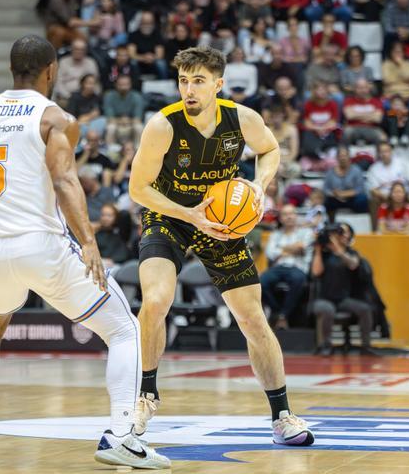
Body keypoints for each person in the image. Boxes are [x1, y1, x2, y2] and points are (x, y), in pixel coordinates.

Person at [0, 35, 170, 468]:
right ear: (51, 70)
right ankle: (122, 436)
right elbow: (65, 181)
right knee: (125, 329)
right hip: (42, 246)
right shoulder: (55, 118)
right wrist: (89, 241)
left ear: (12, 70)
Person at [130, 46, 314, 445]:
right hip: (172, 215)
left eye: (198, 81)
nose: (189, 89)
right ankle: (145, 395)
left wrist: (258, 186)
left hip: (222, 220)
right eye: (183, 81)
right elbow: (138, 188)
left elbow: (270, 149)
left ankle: (282, 416)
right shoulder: (163, 125)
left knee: (251, 318)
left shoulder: (241, 119)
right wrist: (190, 214)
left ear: (218, 84)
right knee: (156, 300)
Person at [310, 222, 385, 355]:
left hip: (344, 299)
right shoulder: (324, 253)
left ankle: (365, 346)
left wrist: (338, 251)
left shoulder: (351, 252)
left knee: (365, 309)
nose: (340, 236)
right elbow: (316, 272)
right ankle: (326, 345)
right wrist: (318, 250)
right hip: (324, 298)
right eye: (338, 233)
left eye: (342, 233)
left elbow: (353, 265)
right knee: (327, 309)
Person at [260, 204, 315, 329]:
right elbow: (270, 253)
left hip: (297, 267)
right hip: (278, 268)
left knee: (298, 279)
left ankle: (283, 315)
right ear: (280, 218)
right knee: (261, 282)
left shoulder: (306, 232)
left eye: (291, 213)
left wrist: (281, 248)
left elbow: (302, 246)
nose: (289, 217)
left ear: (296, 216)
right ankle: (278, 313)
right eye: (285, 214)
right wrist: (293, 248)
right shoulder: (275, 234)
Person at [103, 75, 144, 147]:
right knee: (110, 128)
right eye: (121, 85)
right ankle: (111, 151)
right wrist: (121, 121)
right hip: (116, 123)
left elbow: (138, 119)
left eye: (126, 84)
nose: (123, 87)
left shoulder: (137, 96)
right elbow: (110, 118)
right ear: (115, 85)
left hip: (131, 123)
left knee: (139, 127)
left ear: (130, 85)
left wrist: (127, 121)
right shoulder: (109, 96)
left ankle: (138, 149)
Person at [343, 78, 385, 146]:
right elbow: (349, 116)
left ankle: (378, 156)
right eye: (359, 88)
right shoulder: (349, 100)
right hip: (353, 128)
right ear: (355, 89)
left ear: (368, 89)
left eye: (364, 87)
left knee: (382, 137)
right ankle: (345, 154)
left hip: (372, 128)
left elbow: (377, 119)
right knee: (346, 132)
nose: (362, 90)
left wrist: (356, 115)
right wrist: (370, 115)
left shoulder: (376, 101)